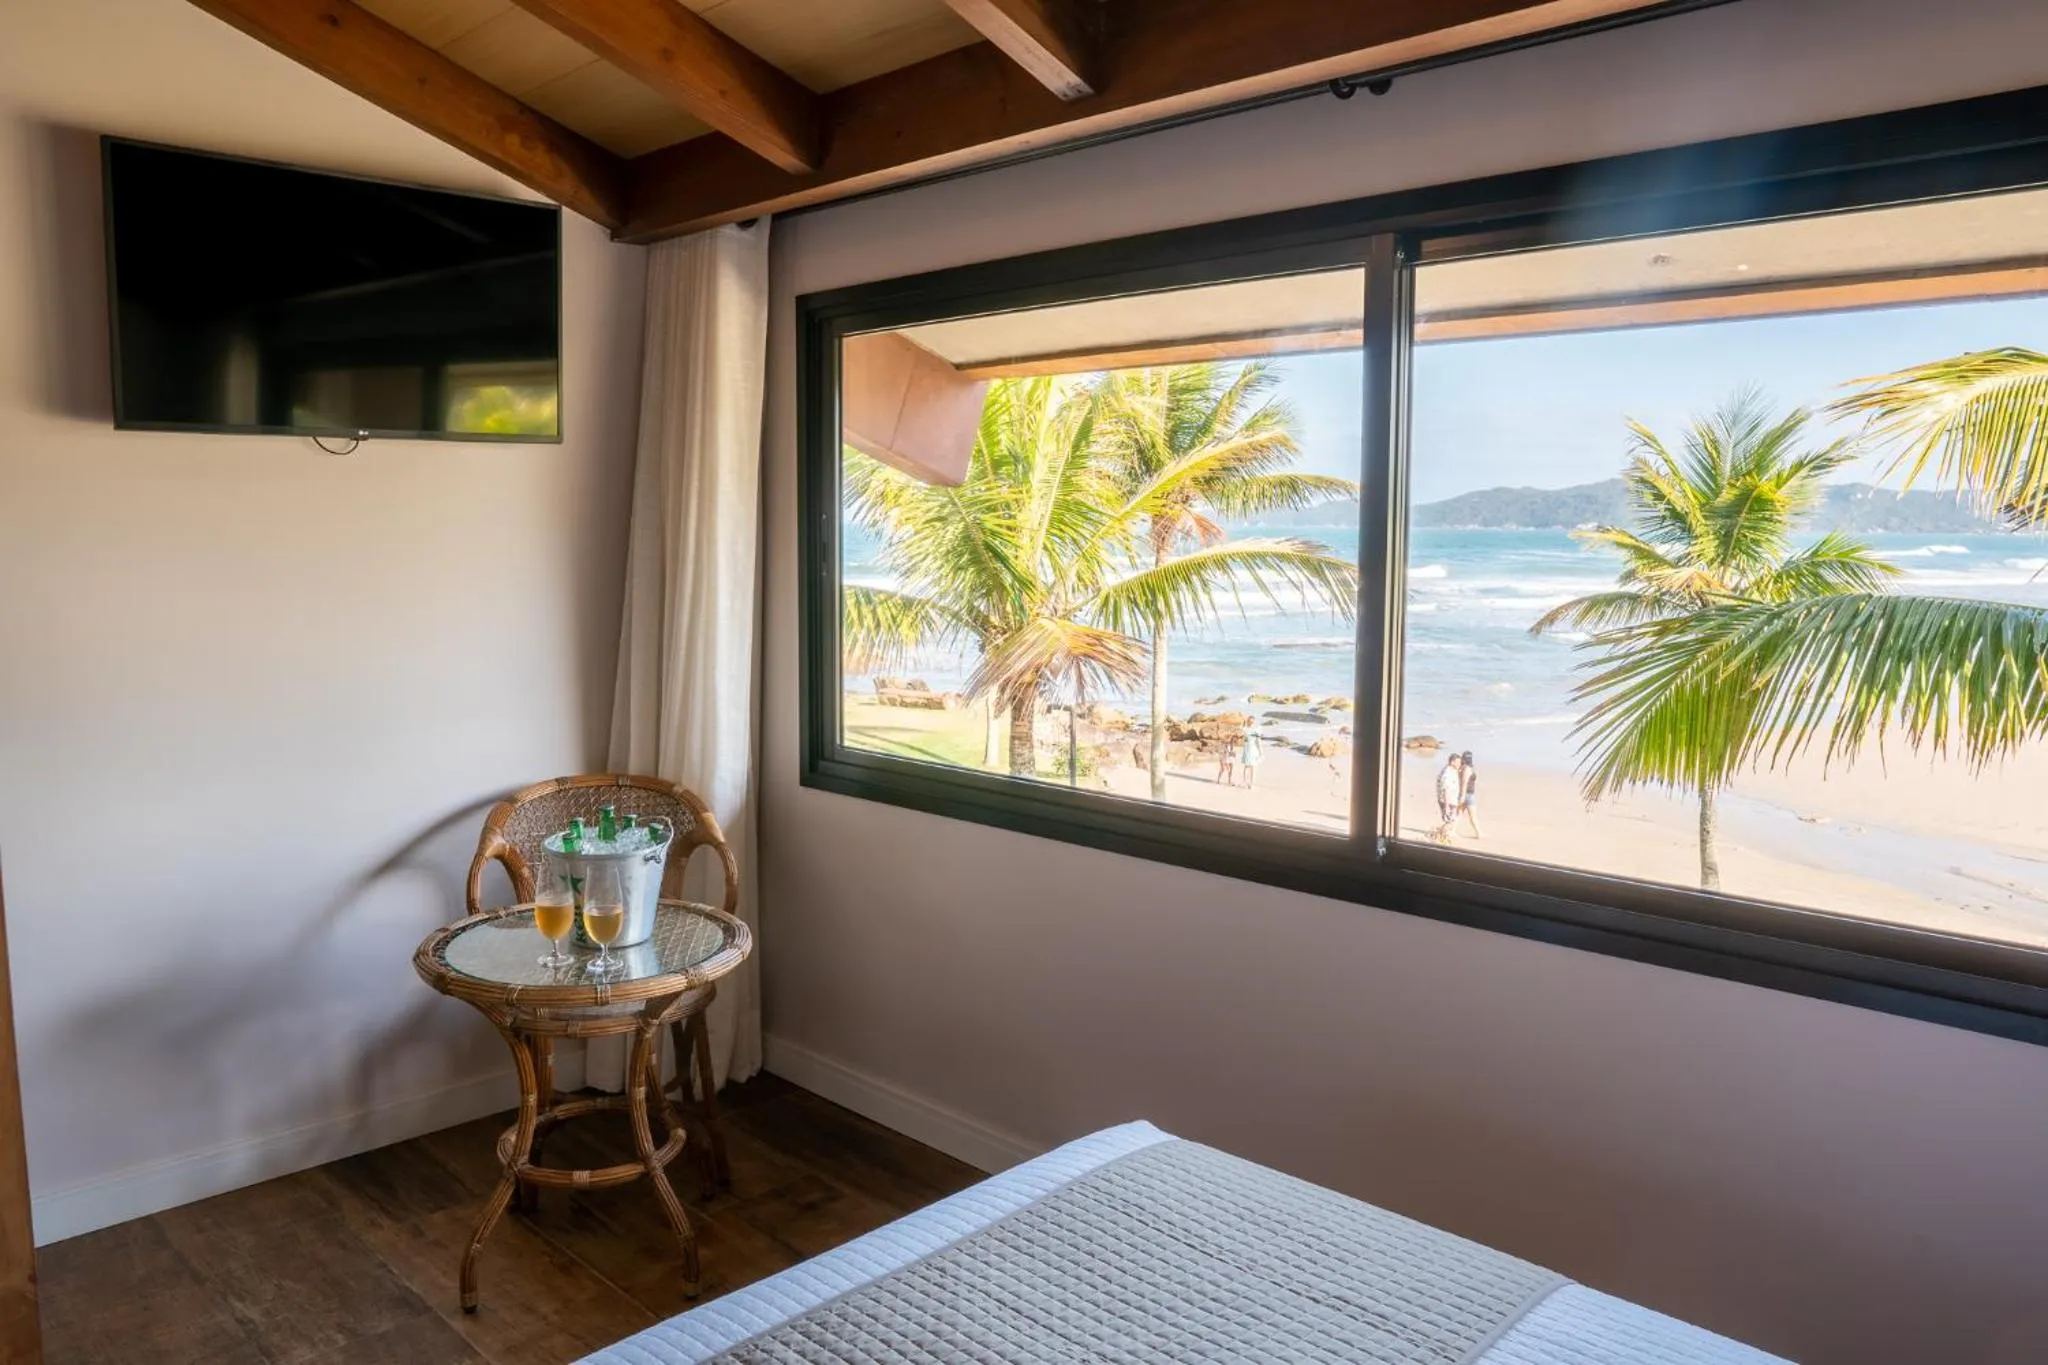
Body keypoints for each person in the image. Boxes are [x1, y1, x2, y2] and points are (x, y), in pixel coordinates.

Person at [1434, 752, 1464, 842]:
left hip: (1451, 800)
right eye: (1458, 762)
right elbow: (1446, 790)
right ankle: (1438, 835)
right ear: (1452, 762)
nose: (1460, 764)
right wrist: (1447, 806)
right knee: (1451, 822)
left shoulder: (1451, 770)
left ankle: (1439, 835)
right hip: (1448, 801)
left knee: (1451, 820)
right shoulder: (1447, 774)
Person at [1458, 750, 1483, 839]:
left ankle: (1451, 831)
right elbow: (1464, 783)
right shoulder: (1467, 769)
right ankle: (1479, 833)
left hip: (1466, 794)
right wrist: (1462, 795)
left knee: (1459, 815)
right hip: (1468, 795)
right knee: (1473, 816)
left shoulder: (1462, 768)